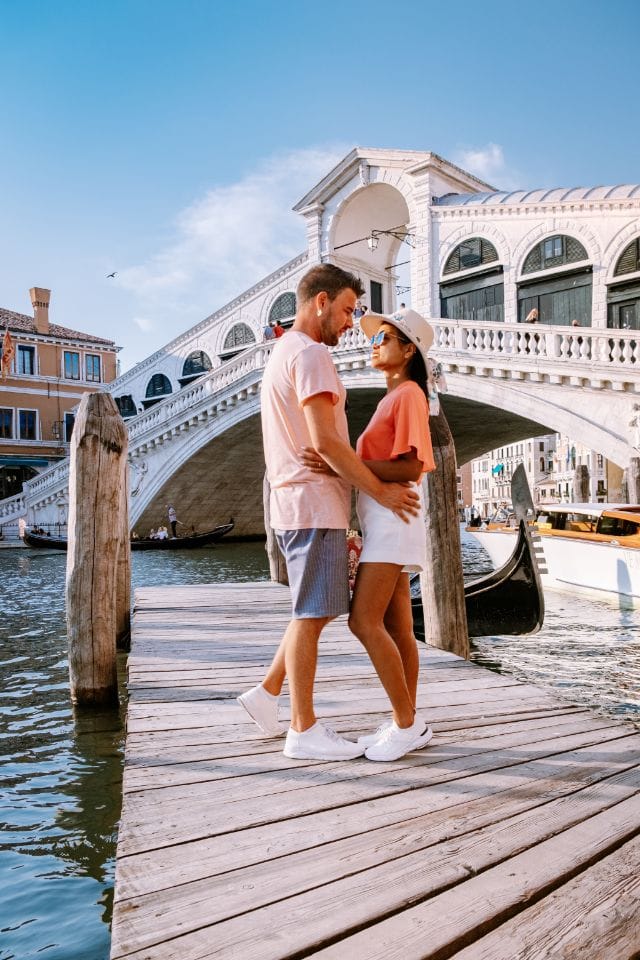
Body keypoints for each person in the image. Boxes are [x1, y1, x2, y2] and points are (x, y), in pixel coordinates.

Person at [236, 264, 420, 762]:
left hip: (296, 503)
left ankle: (268, 696)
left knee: (312, 609)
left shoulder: (283, 354)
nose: (348, 322)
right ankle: (304, 728)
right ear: (319, 303)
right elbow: (325, 442)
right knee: (313, 614)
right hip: (313, 504)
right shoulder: (313, 354)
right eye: (344, 310)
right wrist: (380, 491)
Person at [306, 308, 436, 761]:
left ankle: (406, 723)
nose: (373, 343)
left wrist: (339, 464)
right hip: (386, 516)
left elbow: (412, 466)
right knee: (399, 627)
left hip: (392, 517)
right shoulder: (395, 397)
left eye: (384, 337)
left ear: (408, 350)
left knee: (364, 622)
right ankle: (409, 719)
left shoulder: (408, 396)